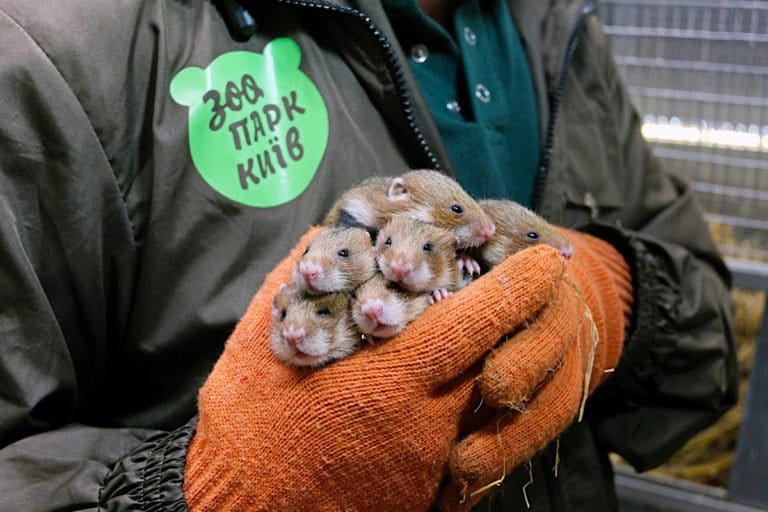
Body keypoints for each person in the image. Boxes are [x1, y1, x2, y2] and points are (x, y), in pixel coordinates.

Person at [0, 0, 737, 510]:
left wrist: (614, 296)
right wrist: (206, 494)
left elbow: (710, 325)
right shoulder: (66, 44)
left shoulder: (559, 26)